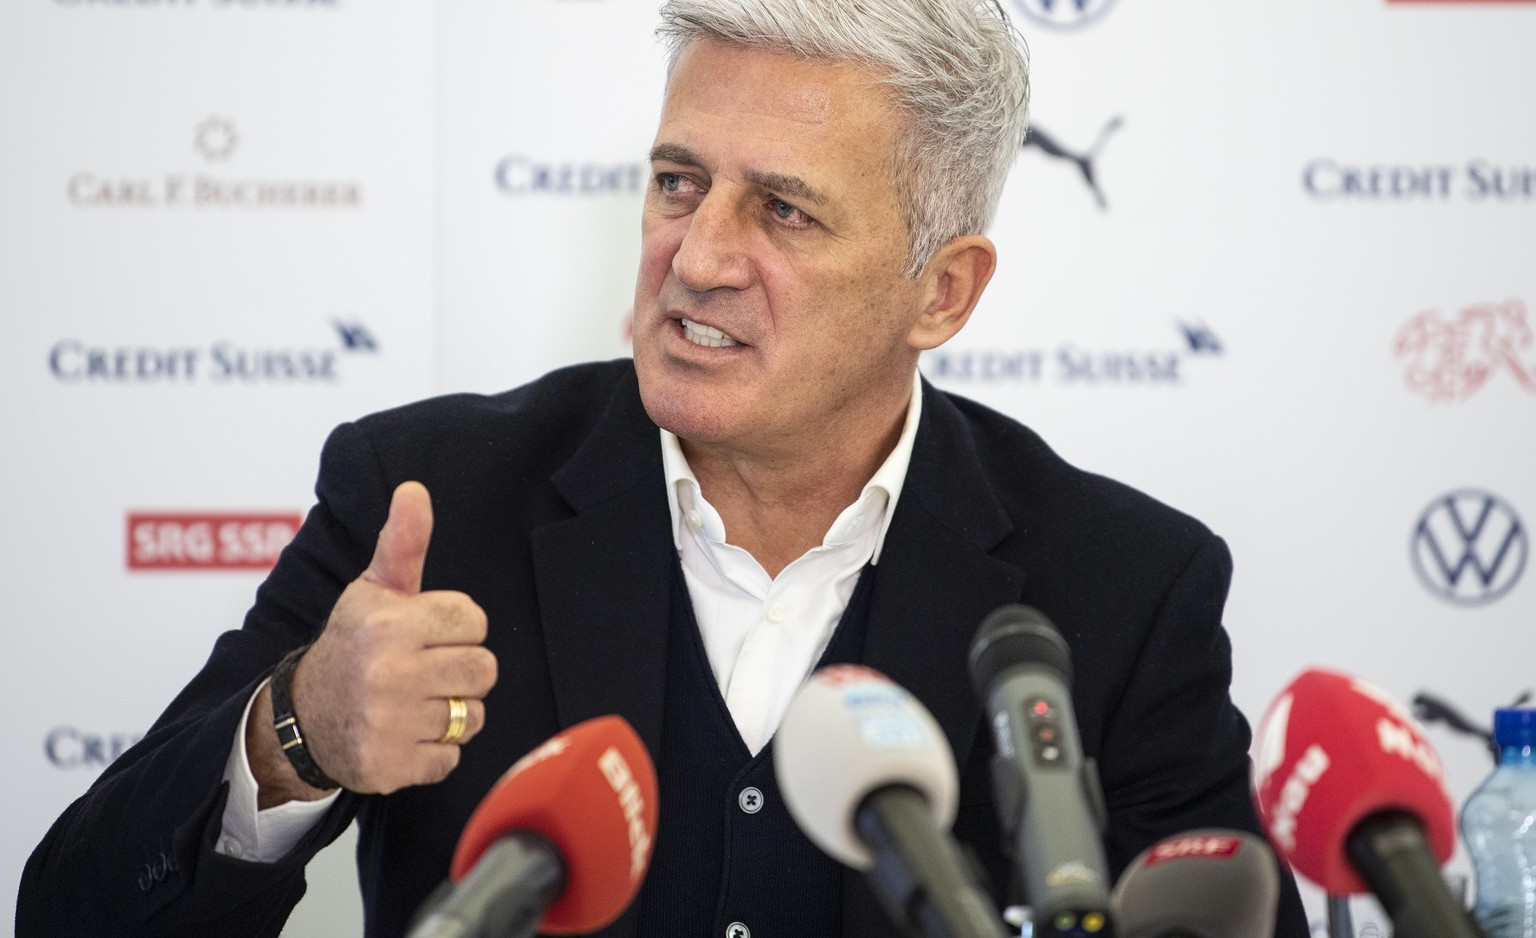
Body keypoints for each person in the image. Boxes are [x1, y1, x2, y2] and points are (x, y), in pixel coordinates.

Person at [18, 0, 1308, 935]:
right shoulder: (430, 498)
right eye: (679, 182)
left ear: (944, 291)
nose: (694, 257)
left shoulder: (1122, 587)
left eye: (783, 210)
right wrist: (296, 731)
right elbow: (70, 909)